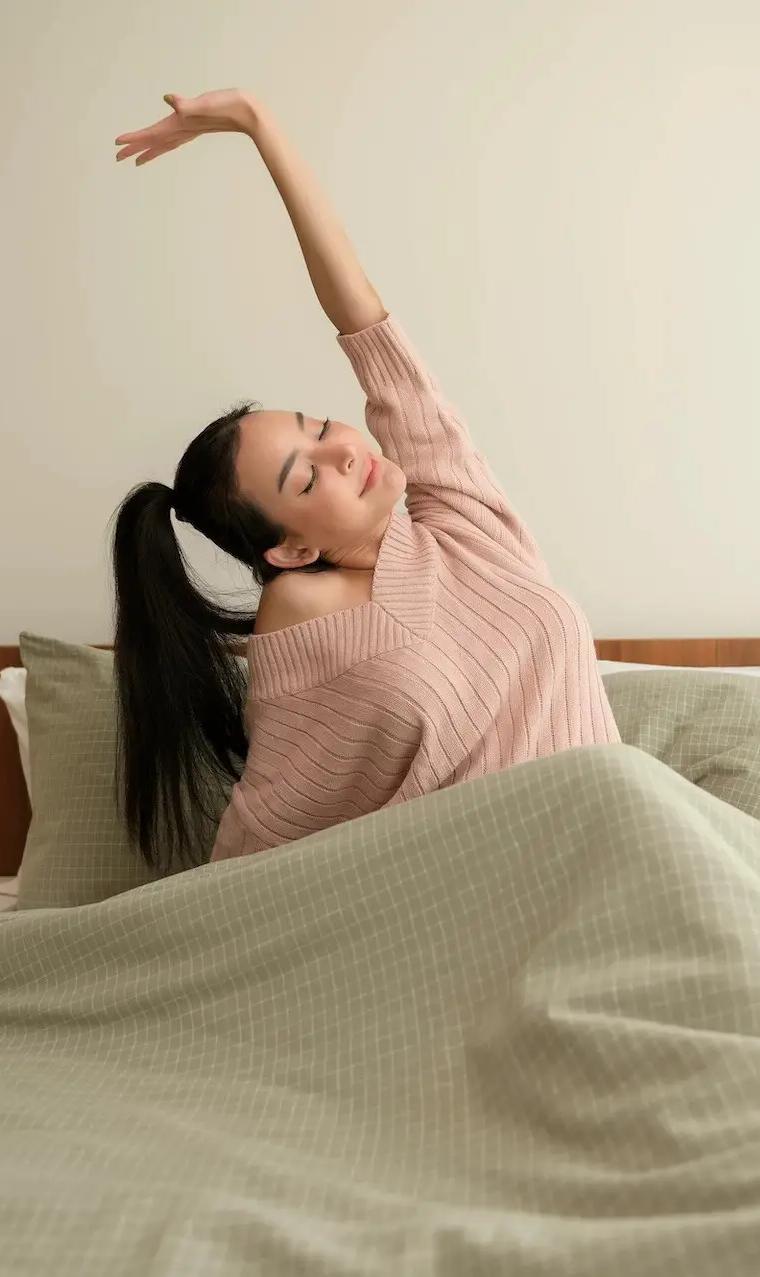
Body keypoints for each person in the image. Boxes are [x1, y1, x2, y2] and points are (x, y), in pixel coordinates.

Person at [110, 89, 619, 870]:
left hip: (614, 851)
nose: (343, 452)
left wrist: (258, 123)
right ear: (285, 551)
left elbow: (364, 323)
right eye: (305, 480)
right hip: (479, 900)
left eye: (319, 427)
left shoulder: (457, 514)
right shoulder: (301, 610)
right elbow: (275, 818)